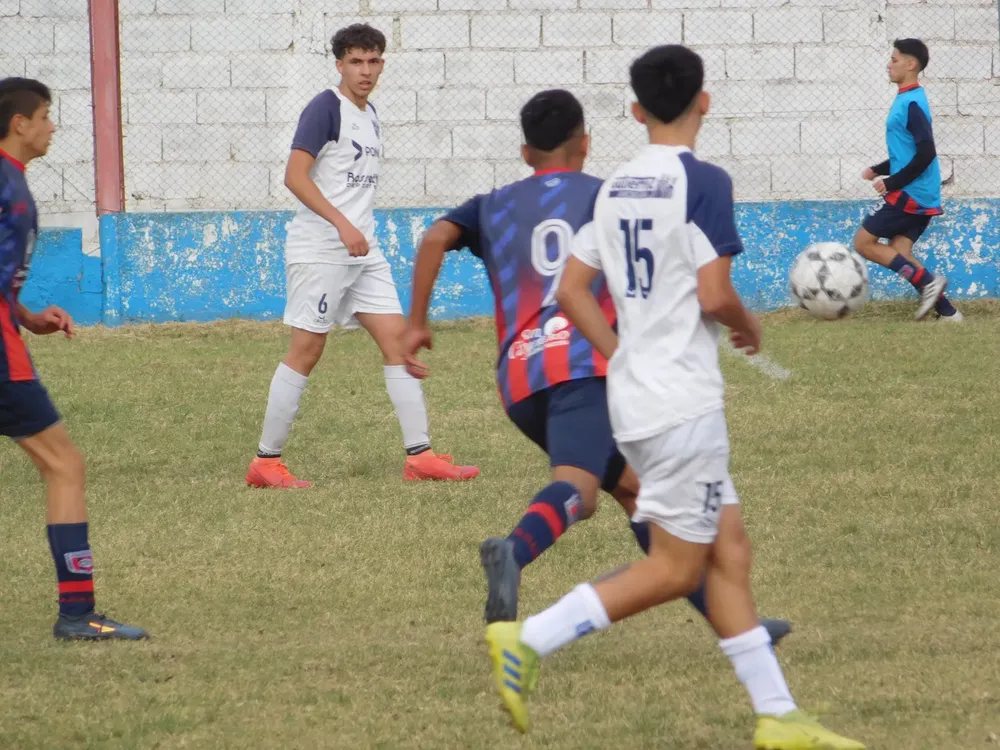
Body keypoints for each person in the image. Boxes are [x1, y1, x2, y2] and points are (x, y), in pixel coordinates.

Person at [481, 48, 864, 750]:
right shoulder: (705, 181)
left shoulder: (615, 186)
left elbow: (571, 291)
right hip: (682, 404)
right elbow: (716, 294)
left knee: (730, 547)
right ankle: (530, 639)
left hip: (636, 397)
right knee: (677, 566)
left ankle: (778, 715)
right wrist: (748, 329)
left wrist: (620, 352)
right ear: (706, 102)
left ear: (633, 111)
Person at [400, 89, 789, 644]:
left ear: (524, 151)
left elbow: (436, 236)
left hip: (520, 381)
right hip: (584, 368)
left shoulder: (492, 205)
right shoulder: (607, 197)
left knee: (635, 493)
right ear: (586, 143)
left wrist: (416, 321)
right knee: (578, 492)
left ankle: (739, 629)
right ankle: (513, 549)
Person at [245, 23, 478, 488]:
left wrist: (356, 231)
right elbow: (295, 175)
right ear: (339, 65)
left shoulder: (369, 113)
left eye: (373, 61)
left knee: (399, 343)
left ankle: (421, 456)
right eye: (356, 61)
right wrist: (342, 224)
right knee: (307, 349)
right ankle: (265, 463)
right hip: (323, 250)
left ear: (382, 64)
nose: (365, 70)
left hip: (363, 251)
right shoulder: (325, 107)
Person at [0, 77, 148, 641]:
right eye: (45, 115)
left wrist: (28, 314)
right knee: (65, 466)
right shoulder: (7, 185)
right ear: (21, 123)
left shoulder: (11, 181)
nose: (52, 125)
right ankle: (76, 612)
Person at [855, 38, 962, 322]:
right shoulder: (907, 98)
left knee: (864, 243)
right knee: (900, 251)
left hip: (912, 191)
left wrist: (892, 183)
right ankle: (949, 314)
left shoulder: (913, 102)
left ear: (911, 64)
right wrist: (879, 169)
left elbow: (927, 152)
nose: (889, 65)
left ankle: (927, 284)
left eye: (894, 59)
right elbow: (908, 152)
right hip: (921, 191)